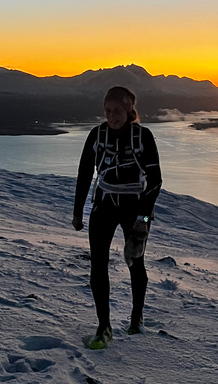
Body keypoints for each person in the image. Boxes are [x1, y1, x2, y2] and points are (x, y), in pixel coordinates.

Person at [72, 86, 162, 349]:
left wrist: (143, 220)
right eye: (108, 111)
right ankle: (104, 327)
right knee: (97, 266)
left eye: (117, 110)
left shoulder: (143, 136)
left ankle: (136, 318)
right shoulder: (96, 135)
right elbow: (84, 173)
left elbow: (155, 181)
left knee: (135, 260)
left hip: (135, 209)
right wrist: (78, 212)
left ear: (128, 110)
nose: (112, 116)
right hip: (104, 205)